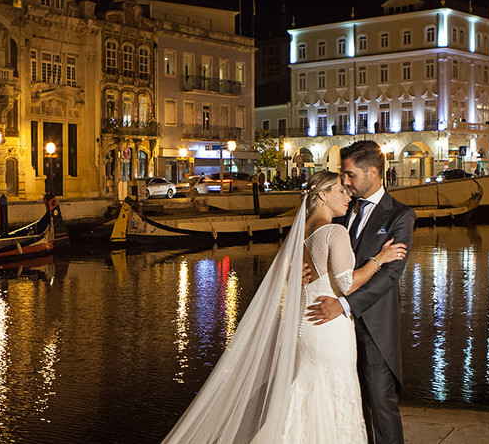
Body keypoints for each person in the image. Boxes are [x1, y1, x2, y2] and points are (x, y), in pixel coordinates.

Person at [163, 170, 407, 443]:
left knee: (306, 392)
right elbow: (347, 284)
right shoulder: (335, 231)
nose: (347, 195)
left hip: (305, 326)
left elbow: (293, 277)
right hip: (329, 328)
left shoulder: (300, 233)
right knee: (334, 394)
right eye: (340, 190)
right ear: (323, 195)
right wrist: (379, 259)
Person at [306, 140, 416, 443]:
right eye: (343, 176)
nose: (345, 181)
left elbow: (390, 275)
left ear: (372, 172)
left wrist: (343, 304)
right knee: (346, 399)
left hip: (374, 325)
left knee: (380, 403)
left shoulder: (400, 215)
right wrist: (308, 270)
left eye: (351, 175)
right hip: (335, 331)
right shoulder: (340, 208)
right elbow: (324, 250)